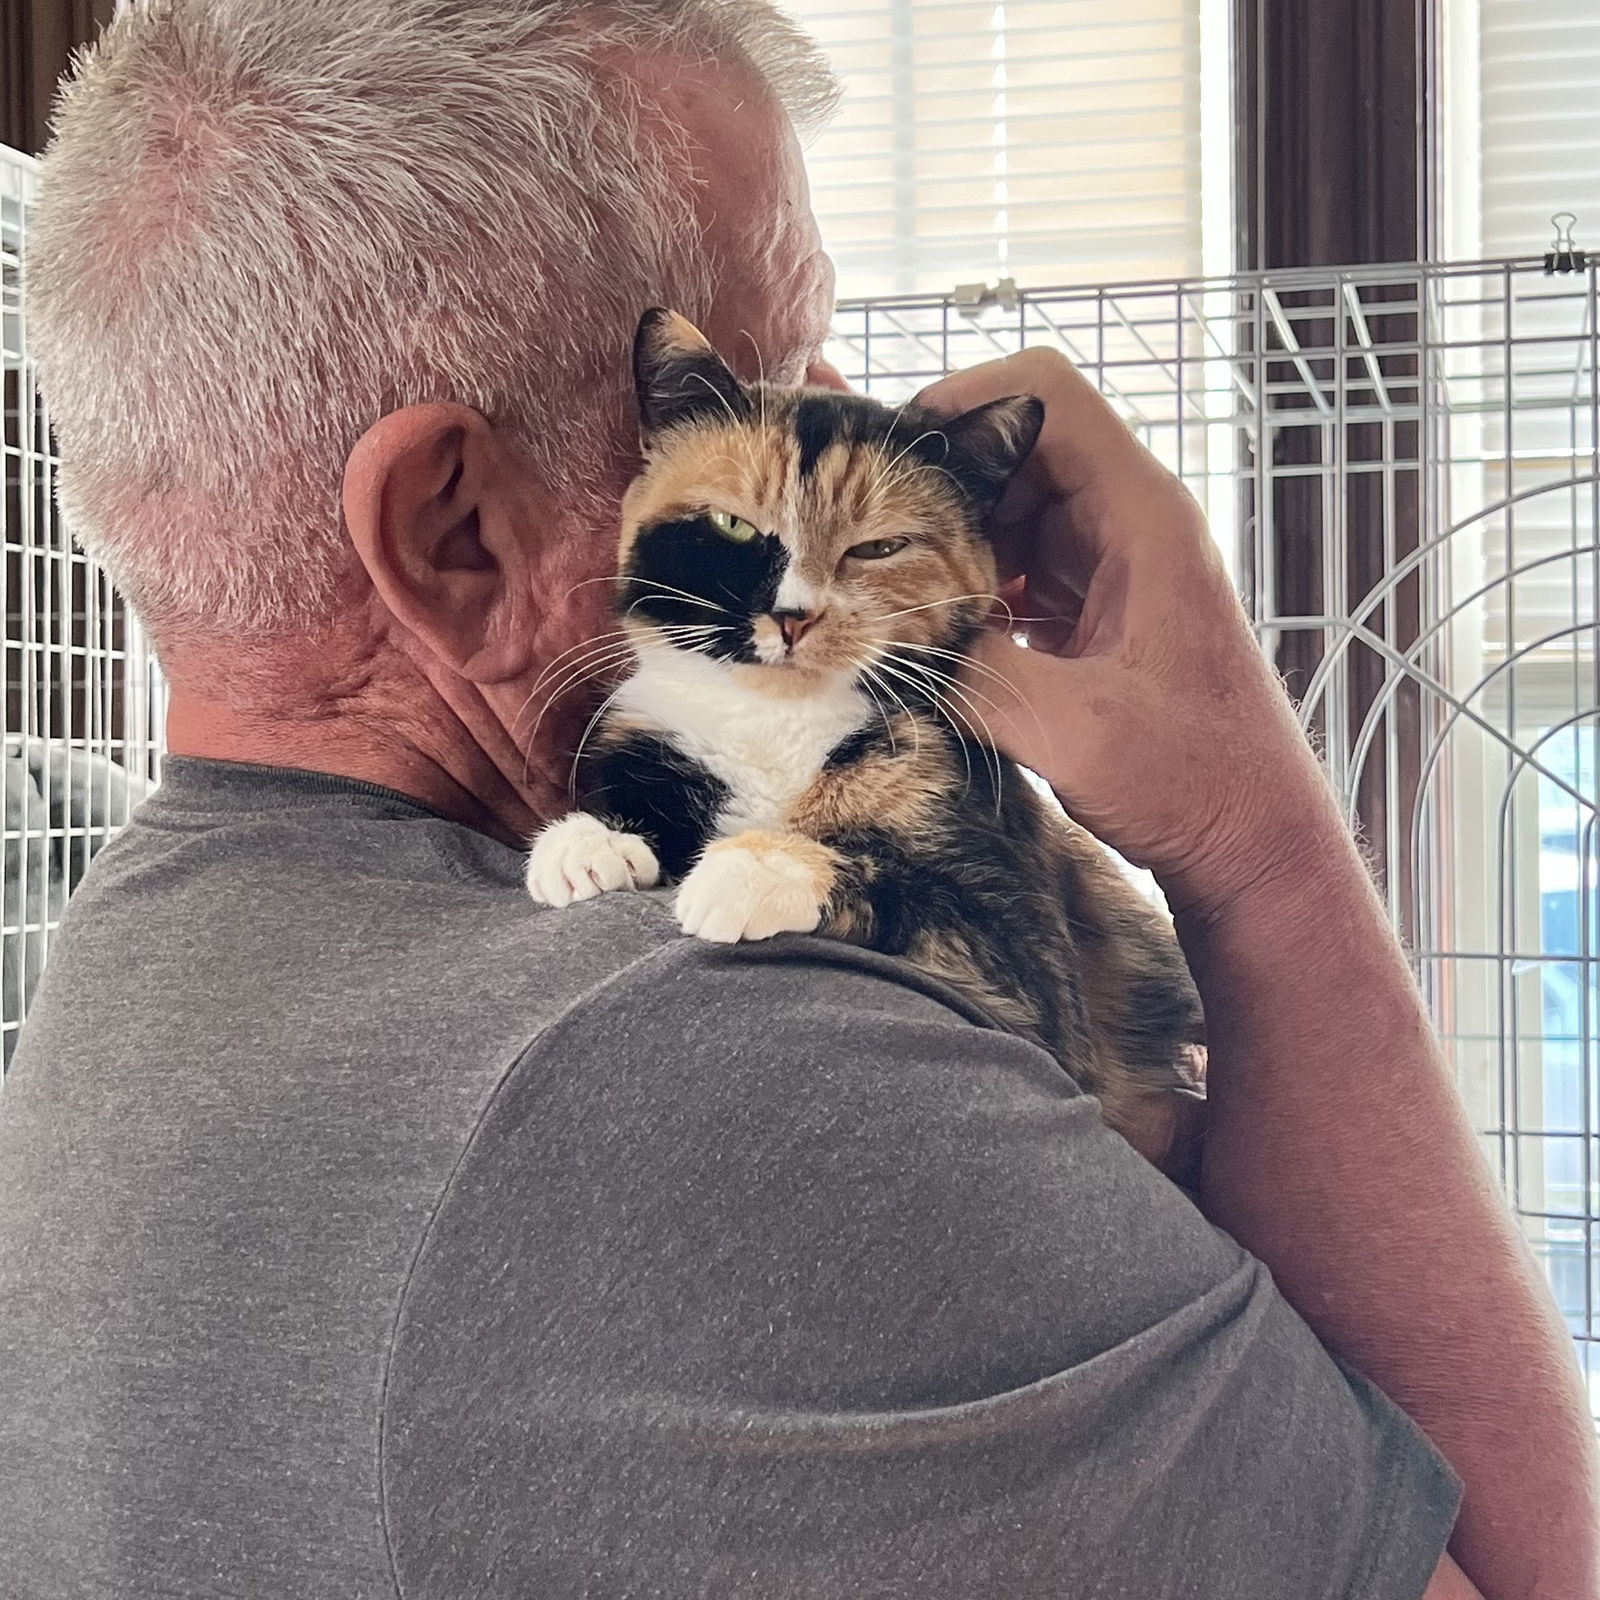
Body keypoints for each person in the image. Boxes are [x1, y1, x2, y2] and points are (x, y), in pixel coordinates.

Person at [0, 3, 1592, 1596]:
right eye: (762, 380)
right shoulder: (731, 1069)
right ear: (455, 538)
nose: (849, 415)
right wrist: (1258, 839)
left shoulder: (117, 988)